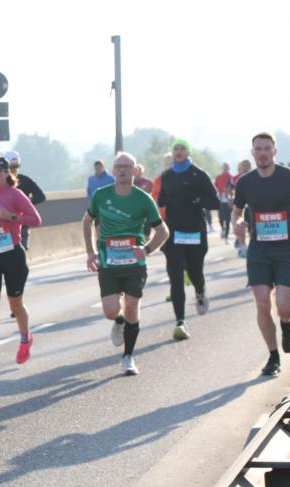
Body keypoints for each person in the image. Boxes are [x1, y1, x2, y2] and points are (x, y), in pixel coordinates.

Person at [233, 132, 290, 376]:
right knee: (262, 304)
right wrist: (239, 222)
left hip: (287, 250)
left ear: (274, 151)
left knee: (283, 306)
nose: (262, 153)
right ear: (252, 152)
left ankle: (286, 323)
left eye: (267, 148)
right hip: (259, 250)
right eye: (258, 149)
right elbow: (236, 211)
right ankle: (273, 357)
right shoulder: (245, 182)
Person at [83, 152, 168, 376]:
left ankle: (128, 357)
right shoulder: (101, 195)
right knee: (111, 311)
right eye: (118, 166)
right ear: (113, 171)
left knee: (132, 306)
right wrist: (91, 252)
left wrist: (147, 249)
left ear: (134, 171)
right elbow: (87, 221)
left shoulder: (143, 199)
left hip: (134, 264)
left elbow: (163, 231)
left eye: (127, 167)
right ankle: (118, 321)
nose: (122, 170)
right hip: (109, 264)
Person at [0, 156, 42, 374]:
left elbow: (36, 219)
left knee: (15, 305)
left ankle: (25, 338)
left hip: (13, 254)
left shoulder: (16, 194)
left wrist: (12, 217)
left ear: (6, 173)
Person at [157, 139, 220, 341]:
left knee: (194, 272)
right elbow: (161, 200)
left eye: (182, 148)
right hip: (174, 233)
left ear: (188, 152)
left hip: (194, 232)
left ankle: (200, 290)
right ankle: (180, 322)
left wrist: (198, 199)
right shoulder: (167, 176)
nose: (179, 151)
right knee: (175, 277)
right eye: (175, 148)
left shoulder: (199, 175)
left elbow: (215, 202)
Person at [5, 150, 46, 249]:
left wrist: (26, 204)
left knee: (20, 253)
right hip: (3, 225)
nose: (14, 170)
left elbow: (40, 196)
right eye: (11, 167)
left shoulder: (25, 180)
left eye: (16, 167)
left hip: (21, 224)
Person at [215, 162, 235, 243]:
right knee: (220, 217)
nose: (225, 168)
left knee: (227, 219)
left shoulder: (231, 177)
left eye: (227, 167)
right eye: (224, 167)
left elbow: (234, 189)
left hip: (228, 200)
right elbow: (215, 187)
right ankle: (223, 229)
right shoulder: (218, 177)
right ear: (222, 168)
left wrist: (231, 198)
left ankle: (226, 236)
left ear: (229, 168)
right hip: (220, 199)